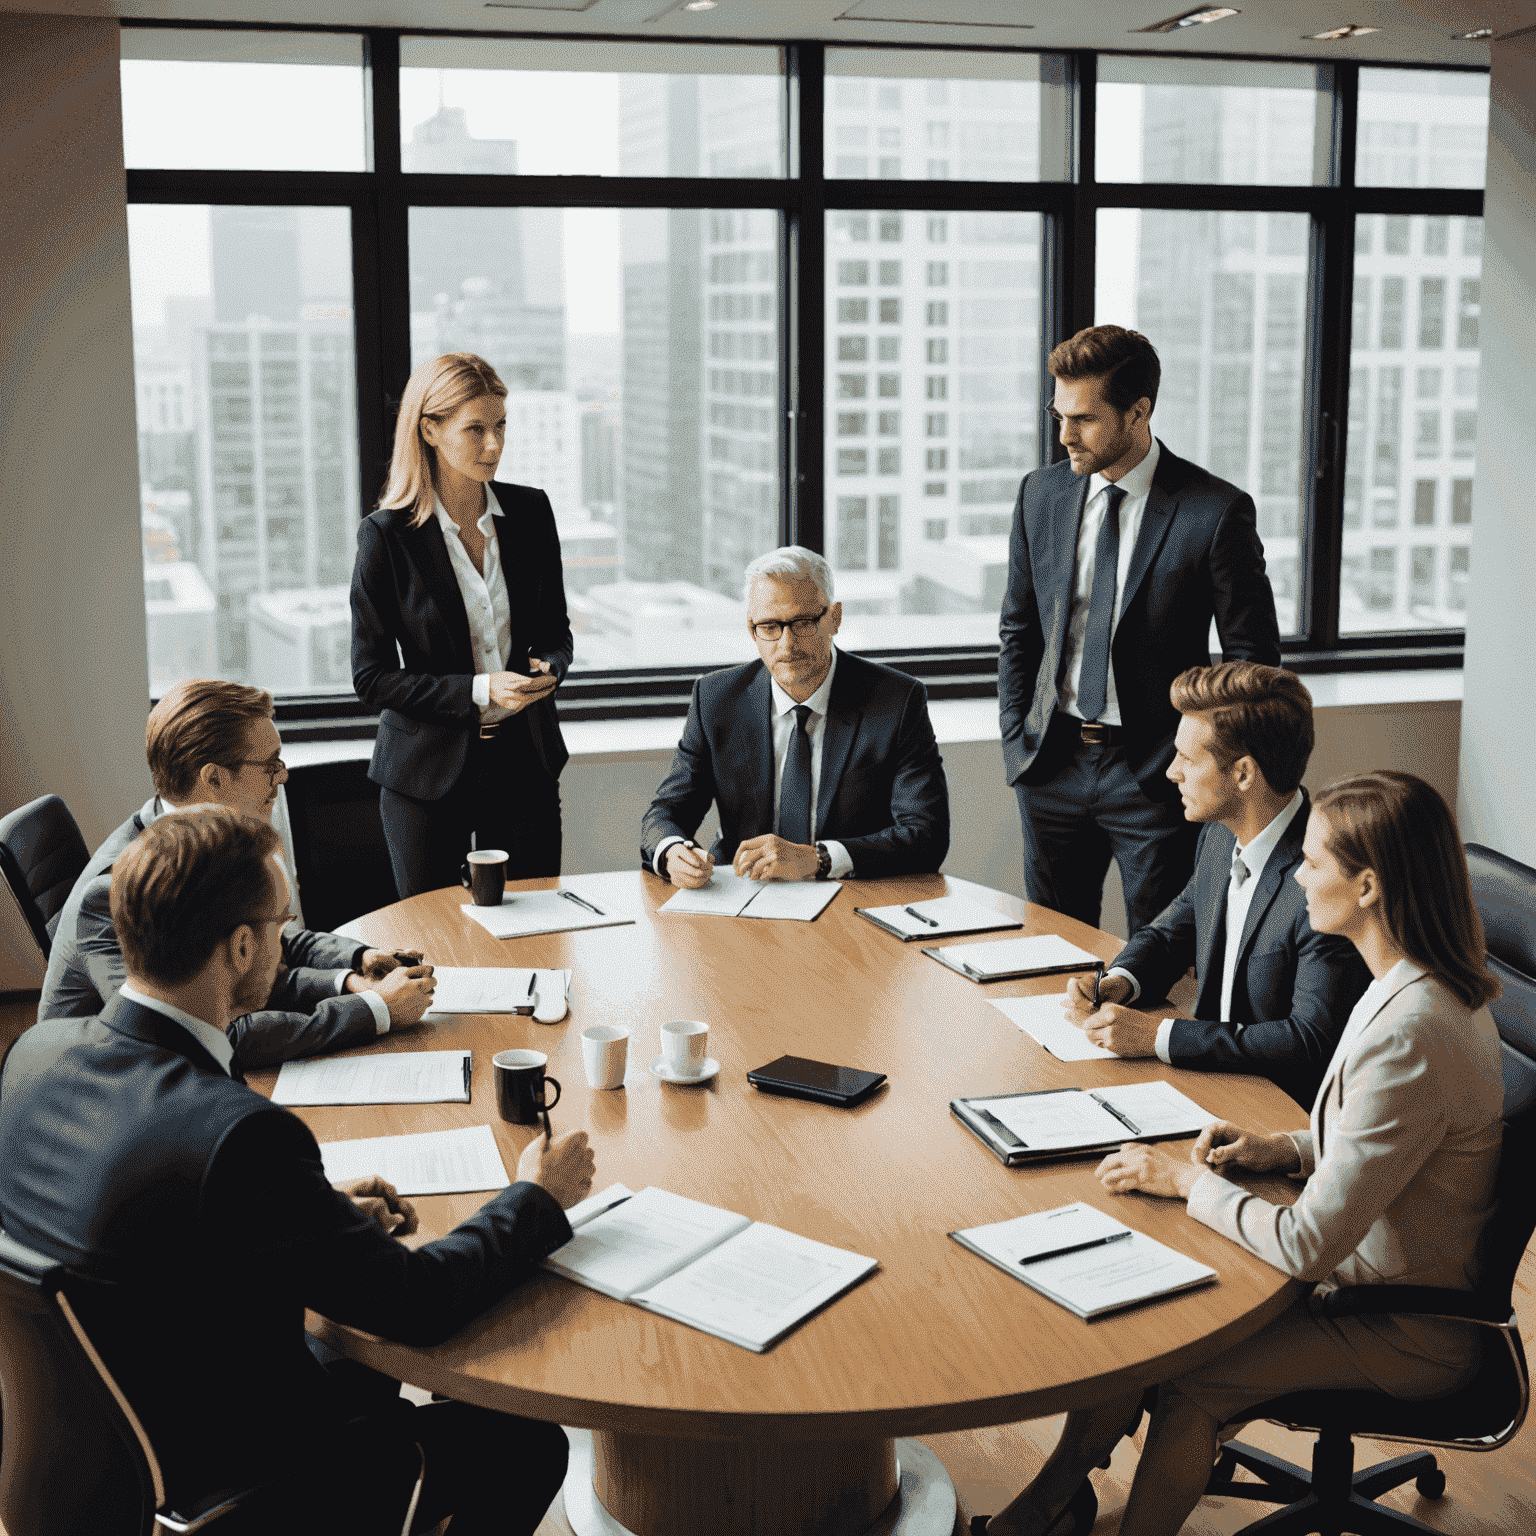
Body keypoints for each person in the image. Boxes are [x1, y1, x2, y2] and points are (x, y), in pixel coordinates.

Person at [0, 807, 595, 1536]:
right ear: (243, 946)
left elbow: (127, 1214)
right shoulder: (240, 1134)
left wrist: (295, 1212)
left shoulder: (33, 1055)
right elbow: (418, 1303)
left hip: (85, 1485)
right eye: (281, 924)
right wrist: (537, 1196)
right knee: (519, 1440)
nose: (287, 942)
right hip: (232, 1489)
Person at [976, 771, 1504, 1536]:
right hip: (1367, 1272)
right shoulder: (1405, 982)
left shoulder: (1412, 1028)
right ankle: (1048, 1505)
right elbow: (1389, 1138)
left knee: (1190, 1382)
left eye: (1313, 862)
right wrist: (1279, 1150)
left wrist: (1186, 1180)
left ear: (1367, 887)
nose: (1294, 875)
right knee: (1142, 1314)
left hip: (1403, 1326)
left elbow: (1310, 1243)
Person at [997, 325, 1281, 934]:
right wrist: (1017, 736)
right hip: (1050, 765)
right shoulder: (1040, 495)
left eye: (1085, 418)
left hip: (1157, 775)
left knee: (1160, 958)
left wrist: (1201, 759)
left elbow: (1251, 665)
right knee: (1051, 946)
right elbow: (1019, 629)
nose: (1064, 434)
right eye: (1058, 413)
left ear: (1139, 411)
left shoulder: (1215, 511)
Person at [39, 678, 435, 1068]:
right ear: (213, 778)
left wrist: (358, 964)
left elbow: (261, 946)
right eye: (269, 765)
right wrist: (375, 1009)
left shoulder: (200, 839)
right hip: (113, 1098)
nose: (282, 777)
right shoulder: (120, 890)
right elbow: (208, 1036)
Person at [1064, 662, 1370, 1108]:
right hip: (1208, 1087)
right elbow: (1172, 932)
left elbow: (1308, 1041)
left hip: (1277, 1115)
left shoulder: (1323, 877)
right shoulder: (1219, 834)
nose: (1171, 772)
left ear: (1244, 774)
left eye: (1187, 759)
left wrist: (1160, 1035)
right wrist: (1120, 981)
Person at [351, 352, 572, 898]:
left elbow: (555, 629)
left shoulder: (531, 512)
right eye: (475, 429)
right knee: (436, 943)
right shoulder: (386, 537)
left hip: (525, 763)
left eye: (500, 426)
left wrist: (550, 665)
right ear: (430, 428)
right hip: (425, 777)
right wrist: (480, 689)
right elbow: (371, 677)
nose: (493, 445)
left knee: (537, 932)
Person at [640, 546, 949, 885]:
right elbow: (666, 812)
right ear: (751, 629)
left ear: (834, 618)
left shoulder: (896, 701)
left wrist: (820, 858)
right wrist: (673, 852)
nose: (787, 645)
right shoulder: (716, 699)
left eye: (802, 623)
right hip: (744, 895)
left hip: (850, 895)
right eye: (769, 626)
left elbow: (927, 835)